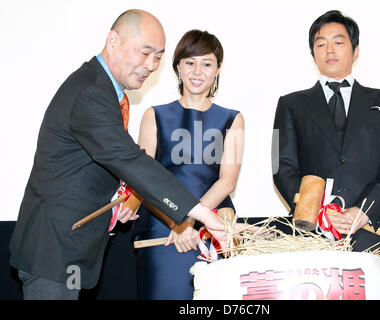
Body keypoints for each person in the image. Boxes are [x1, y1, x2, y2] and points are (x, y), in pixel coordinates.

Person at [9, 10, 228, 300]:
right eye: (145, 52)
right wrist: (201, 214)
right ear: (113, 41)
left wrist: (115, 204)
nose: (151, 65)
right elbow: (130, 161)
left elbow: (101, 163)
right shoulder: (91, 92)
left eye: (158, 57)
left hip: (65, 248)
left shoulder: (102, 90)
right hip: (55, 250)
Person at [272, 10, 380, 258]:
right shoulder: (289, 104)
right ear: (313, 54)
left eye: (338, 42)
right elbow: (281, 166)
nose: (329, 50)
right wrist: (317, 211)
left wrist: (364, 209)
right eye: (321, 44)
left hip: (373, 228)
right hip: (313, 232)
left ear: (355, 51)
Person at [133, 29, 244, 299]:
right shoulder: (153, 115)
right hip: (162, 225)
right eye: (189, 62)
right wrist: (177, 222)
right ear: (177, 67)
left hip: (213, 226)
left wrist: (190, 222)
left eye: (207, 64)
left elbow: (227, 180)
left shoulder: (233, 119)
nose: (197, 71)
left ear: (217, 70)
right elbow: (144, 178)